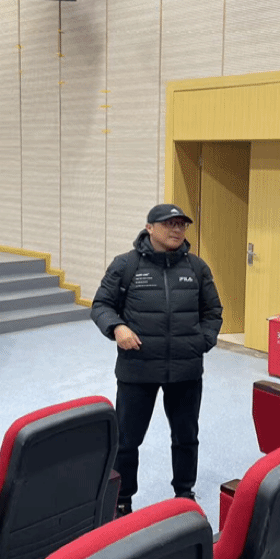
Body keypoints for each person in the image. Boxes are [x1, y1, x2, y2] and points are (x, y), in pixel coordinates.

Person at [91, 203, 223, 516]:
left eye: (181, 225)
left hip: (185, 370)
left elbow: (212, 311)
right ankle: (122, 500)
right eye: (169, 224)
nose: (177, 230)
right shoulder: (126, 265)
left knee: (186, 437)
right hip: (138, 368)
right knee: (126, 440)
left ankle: (184, 493)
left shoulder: (197, 268)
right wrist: (117, 327)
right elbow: (101, 305)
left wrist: (202, 342)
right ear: (149, 227)